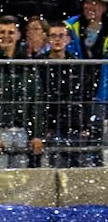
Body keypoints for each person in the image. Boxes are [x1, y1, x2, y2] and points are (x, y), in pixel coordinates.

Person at [0, 15, 45, 168]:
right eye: (1, 32)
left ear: (18, 35)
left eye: (10, 32)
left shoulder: (28, 65)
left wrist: (37, 134)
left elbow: (36, 102)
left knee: (19, 182)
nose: (5, 36)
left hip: (22, 131)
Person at [42, 20, 100, 166]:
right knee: (53, 169)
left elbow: (85, 97)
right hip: (51, 126)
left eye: (61, 36)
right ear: (48, 39)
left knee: (75, 170)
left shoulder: (77, 66)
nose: (57, 39)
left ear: (68, 40)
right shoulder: (40, 64)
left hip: (74, 125)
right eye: (53, 36)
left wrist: (86, 125)